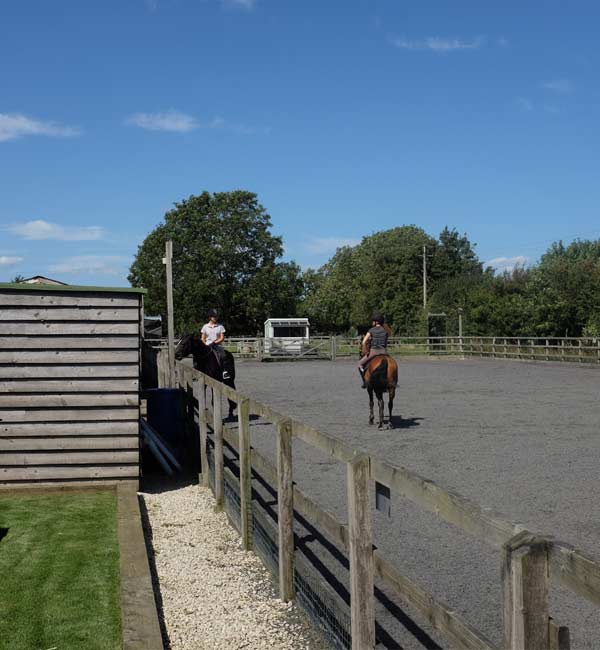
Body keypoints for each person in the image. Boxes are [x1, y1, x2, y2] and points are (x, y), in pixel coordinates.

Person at [357, 313, 389, 388]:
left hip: (374, 351)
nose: (372, 322)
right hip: (384, 351)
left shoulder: (371, 330)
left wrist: (366, 350)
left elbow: (364, 342)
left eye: (373, 321)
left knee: (359, 364)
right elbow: (386, 341)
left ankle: (365, 382)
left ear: (376, 322)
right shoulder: (385, 330)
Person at [201, 308, 230, 380]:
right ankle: (196, 370)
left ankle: (225, 371)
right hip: (207, 345)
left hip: (217, 345)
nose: (216, 318)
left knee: (223, 355)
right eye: (214, 316)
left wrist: (214, 343)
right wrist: (205, 345)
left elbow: (222, 338)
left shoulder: (220, 326)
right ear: (210, 317)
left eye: (216, 316)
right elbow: (202, 338)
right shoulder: (205, 327)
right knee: (198, 355)